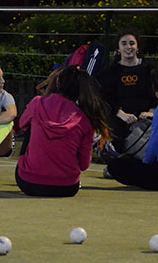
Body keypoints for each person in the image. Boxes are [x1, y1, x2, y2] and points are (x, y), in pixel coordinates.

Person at [16, 66, 110, 197]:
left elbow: (22, 124)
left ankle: (33, 167)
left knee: (31, 125)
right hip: (67, 187)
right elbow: (84, 165)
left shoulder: (37, 103)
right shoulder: (84, 119)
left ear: (58, 82)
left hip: (29, 182)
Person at [97, 30, 158, 155]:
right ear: (118, 49)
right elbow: (104, 99)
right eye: (124, 43)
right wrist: (121, 114)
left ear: (138, 47)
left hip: (146, 119)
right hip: (119, 118)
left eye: (132, 43)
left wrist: (151, 112)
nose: (128, 47)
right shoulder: (109, 73)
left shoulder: (150, 70)